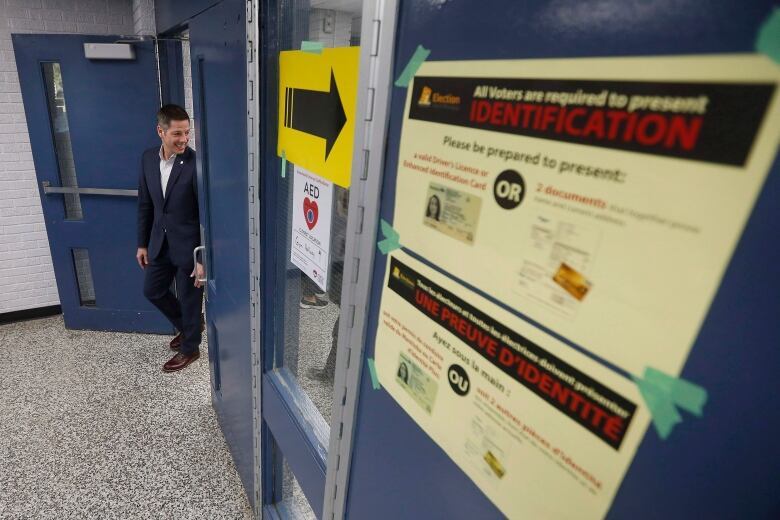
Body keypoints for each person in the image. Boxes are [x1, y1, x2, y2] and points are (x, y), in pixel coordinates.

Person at [136, 104, 204, 372]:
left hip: (189, 246)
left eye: (187, 133)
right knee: (152, 290)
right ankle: (190, 325)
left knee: (189, 299)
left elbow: (206, 215)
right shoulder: (147, 158)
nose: (184, 140)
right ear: (160, 131)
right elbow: (145, 204)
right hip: (159, 242)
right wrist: (142, 243)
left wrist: (203, 257)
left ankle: (191, 348)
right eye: (177, 133)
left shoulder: (195, 163)